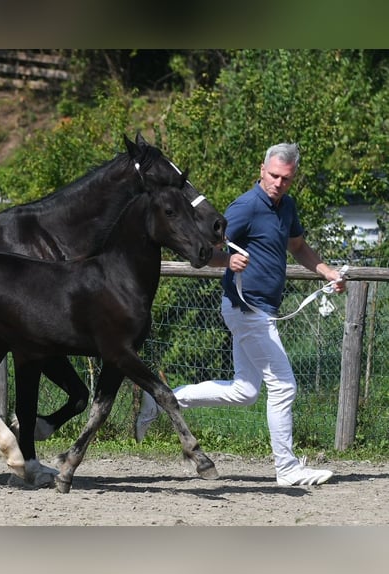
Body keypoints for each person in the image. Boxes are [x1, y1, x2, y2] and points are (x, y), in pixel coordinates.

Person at [135, 142, 346, 487]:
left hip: (260, 309)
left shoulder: (286, 206)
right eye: (274, 176)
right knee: (283, 386)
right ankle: (287, 469)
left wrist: (326, 271)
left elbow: (298, 247)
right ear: (261, 171)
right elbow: (204, 251)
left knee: (245, 391)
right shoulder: (246, 207)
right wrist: (228, 261)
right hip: (247, 308)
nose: (279, 184)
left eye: (286, 179)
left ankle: (163, 398)